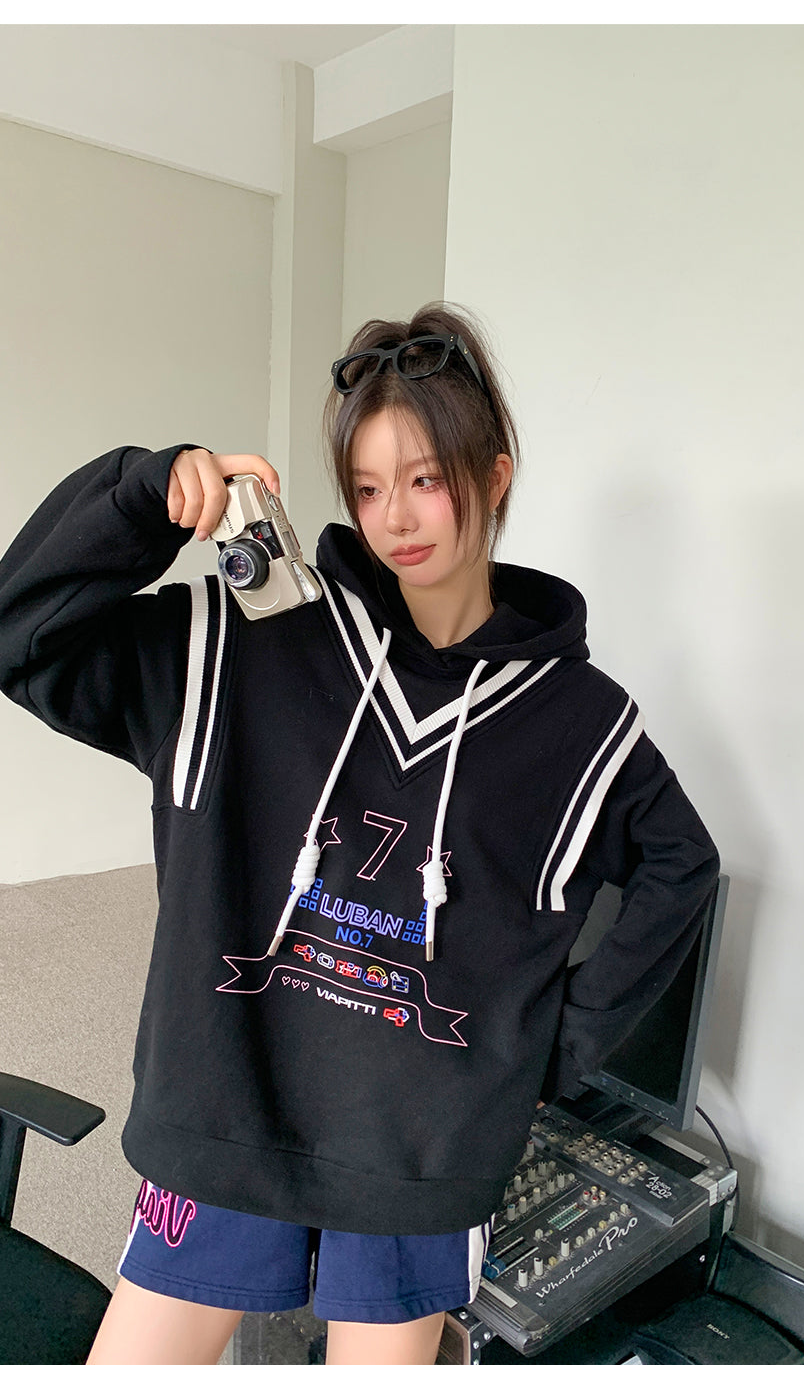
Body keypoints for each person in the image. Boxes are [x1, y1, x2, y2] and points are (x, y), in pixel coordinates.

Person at [0, 303, 719, 1365]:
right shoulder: (250, 639)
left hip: (419, 1155)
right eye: (369, 487)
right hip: (226, 1107)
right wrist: (140, 496)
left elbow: (682, 865)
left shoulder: (579, 722)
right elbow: (22, 636)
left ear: (495, 476)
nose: (396, 518)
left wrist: (551, 1048)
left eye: (425, 478)